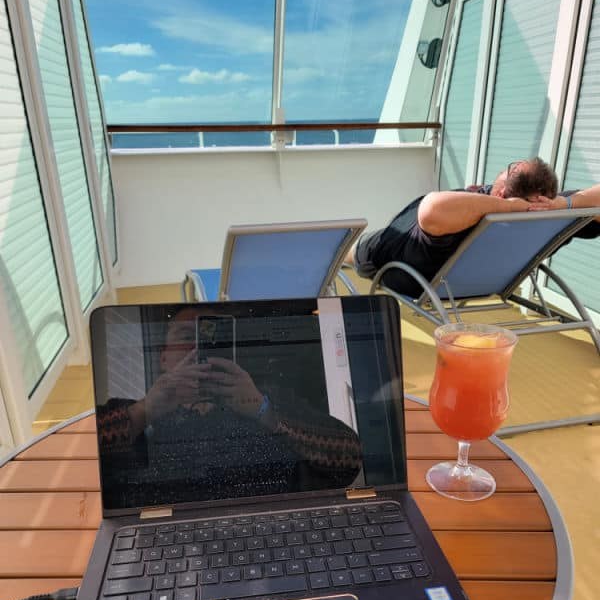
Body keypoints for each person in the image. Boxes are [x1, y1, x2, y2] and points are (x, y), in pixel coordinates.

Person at [97, 306, 362, 506]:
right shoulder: (142, 414)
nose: (196, 346)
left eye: (212, 338)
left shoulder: (270, 399)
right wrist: (146, 410)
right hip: (175, 533)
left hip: (273, 521)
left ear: (230, 350)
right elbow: (97, 456)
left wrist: (264, 411)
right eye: (186, 335)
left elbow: (349, 459)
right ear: (164, 358)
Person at [349, 157, 600, 297]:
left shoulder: (466, 218)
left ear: (501, 192)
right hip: (477, 281)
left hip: (400, 266)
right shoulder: (549, 215)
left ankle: (340, 256)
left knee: (348, 251)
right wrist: (566, 203)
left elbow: (431, 208)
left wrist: (510, 207)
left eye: (511, 167)